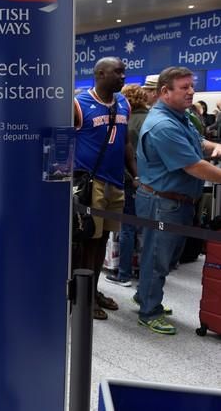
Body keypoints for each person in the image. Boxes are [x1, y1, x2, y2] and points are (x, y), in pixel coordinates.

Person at [134, 66, 221, 335]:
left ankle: (145, 295)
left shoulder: (178, 117)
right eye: (184, 88)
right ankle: (149, 310)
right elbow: (194, 166)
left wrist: (215, 146)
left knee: (164, 255)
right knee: (157, 258)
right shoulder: (163, 125)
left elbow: (198, 142)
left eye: (191, 86)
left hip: (175, 202)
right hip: (162, 203)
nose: (191, 91)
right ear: (164, 91)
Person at [72, 57, 136, 320]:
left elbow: (126, 143)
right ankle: (81, 296)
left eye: (124, 72)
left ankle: (94, 290)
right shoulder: (78, 104)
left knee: (103, 241)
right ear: (100, 74)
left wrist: (135, 174)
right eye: (118, 72)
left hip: (115, 183)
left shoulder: (124, 104)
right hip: (91, 183)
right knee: (88, 240)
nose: (123, 77)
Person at [105, 84, 149, 287]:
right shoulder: (151, 119)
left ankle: (123, 273)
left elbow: (125, 153)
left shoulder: (127, 123)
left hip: (131, 179)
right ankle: (142, 269)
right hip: (149, 181)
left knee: (127, 228)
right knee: (145, 227)